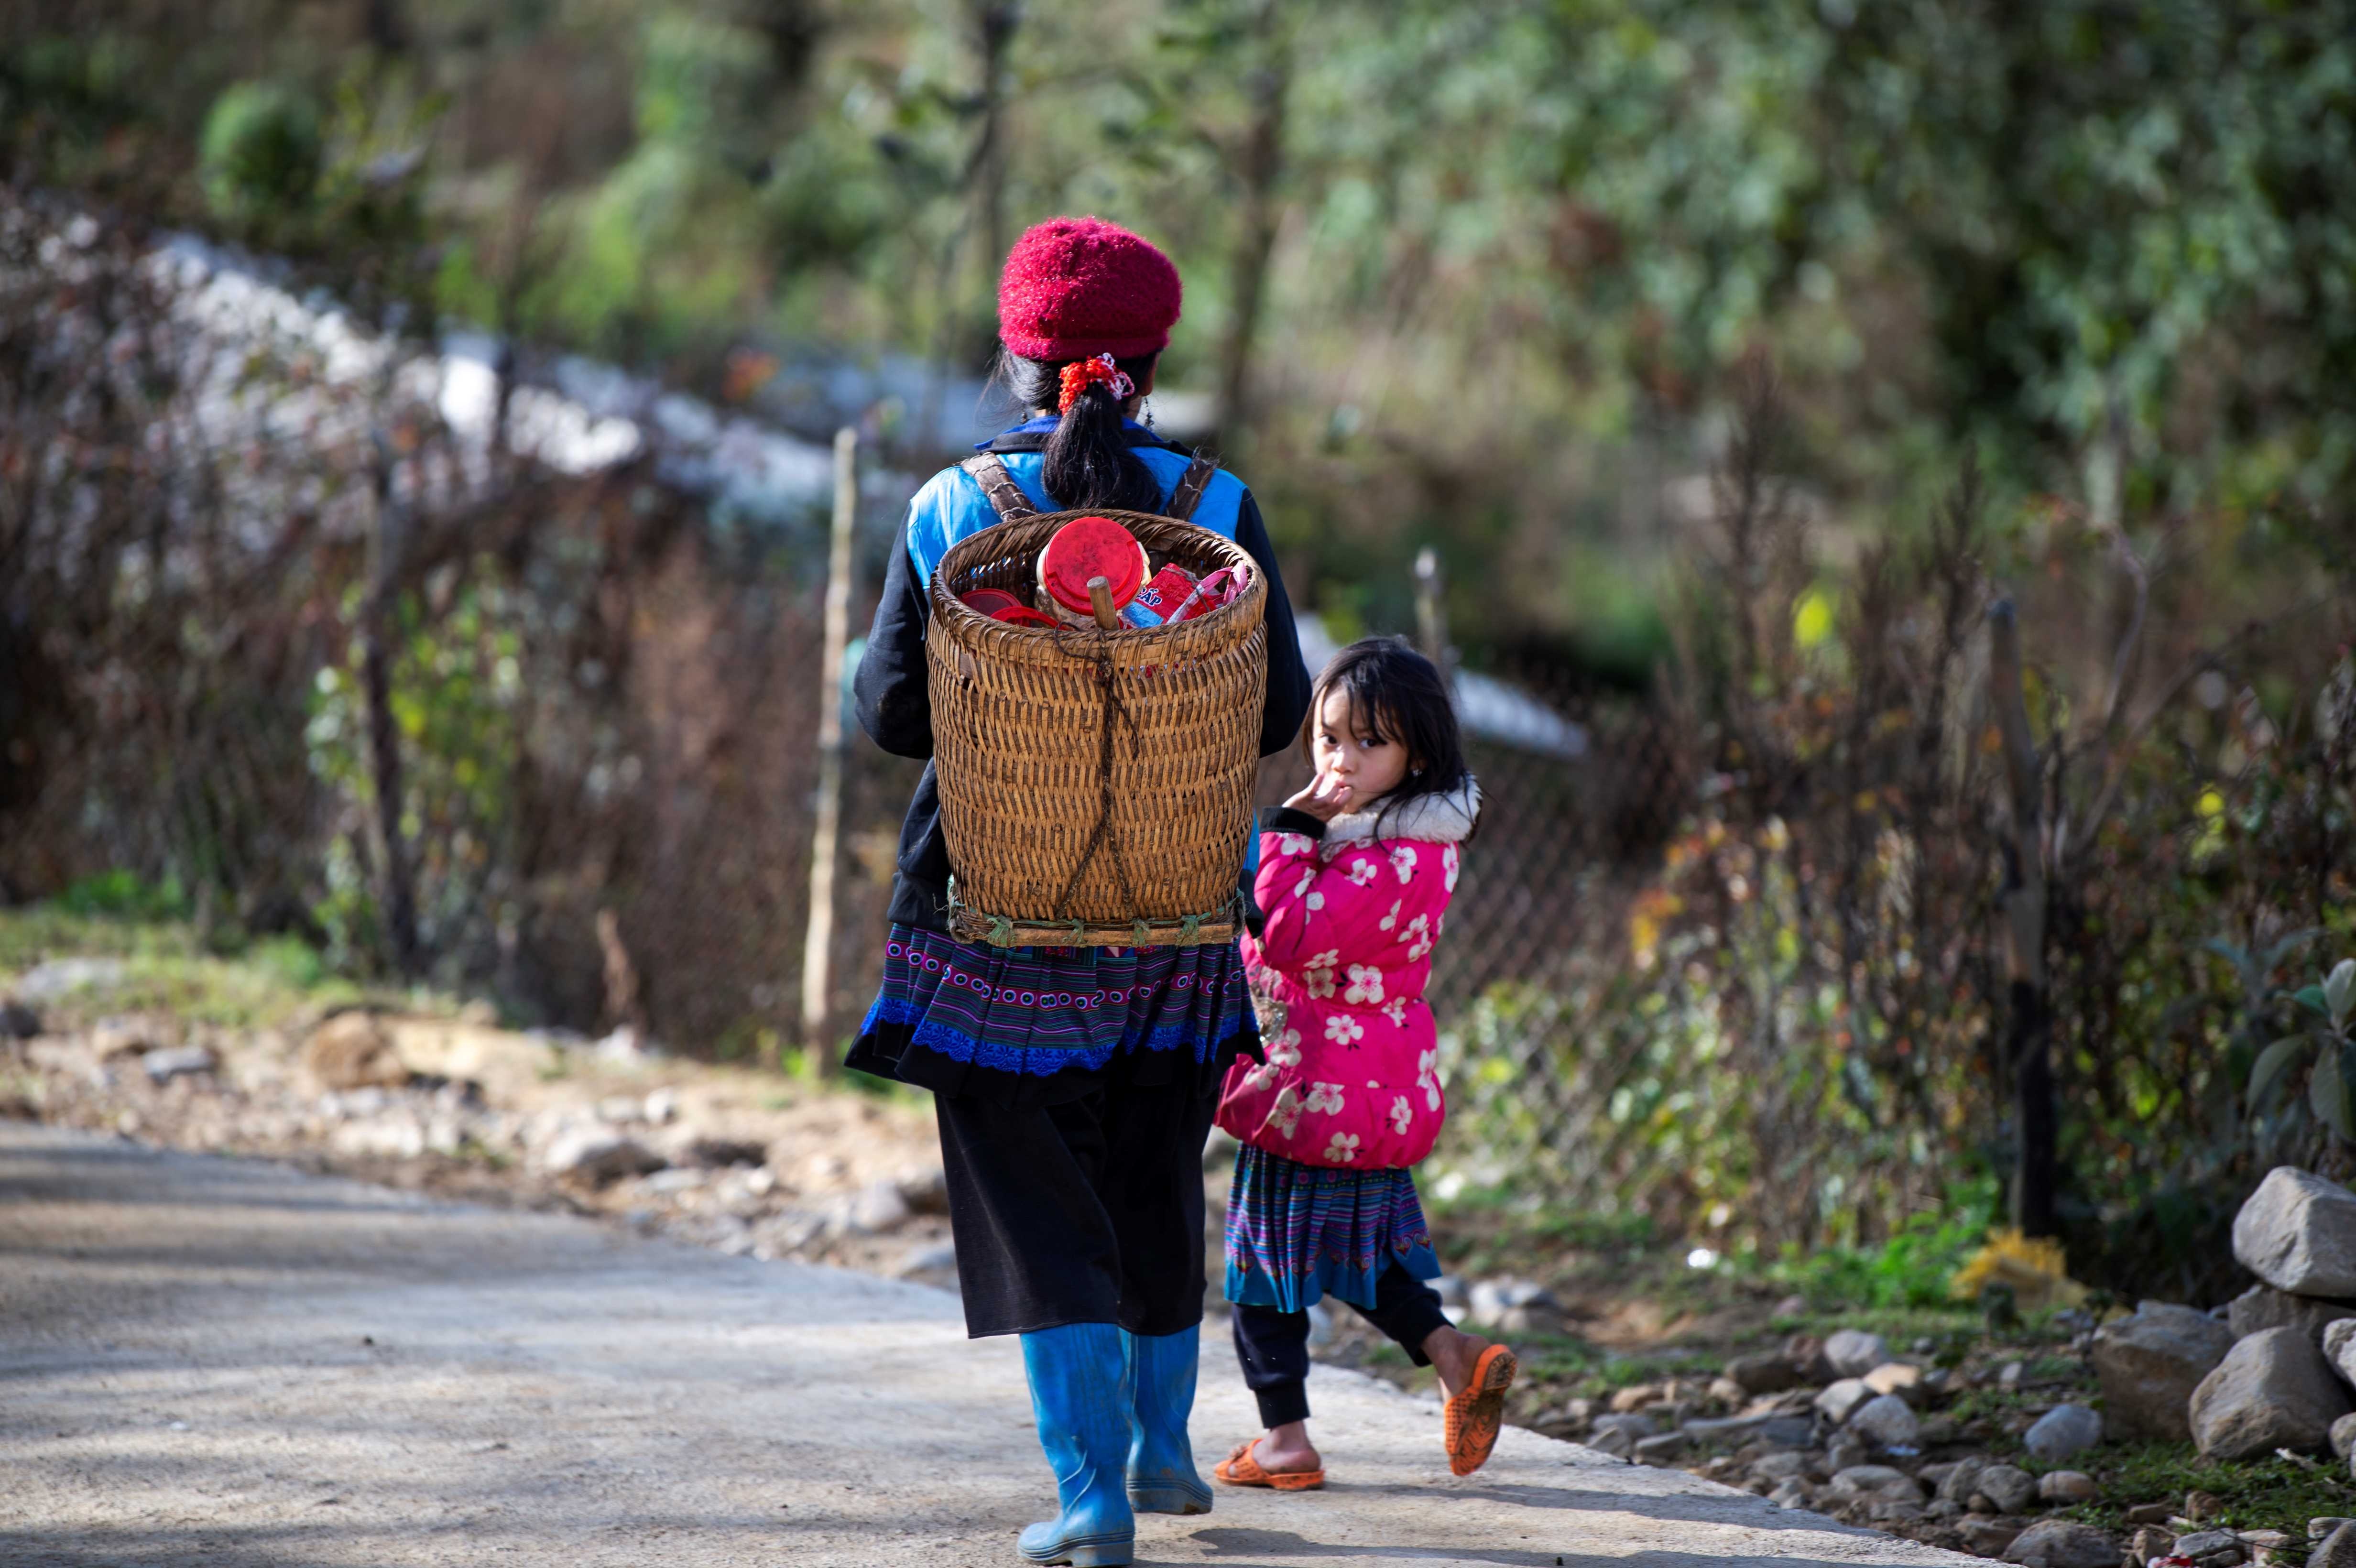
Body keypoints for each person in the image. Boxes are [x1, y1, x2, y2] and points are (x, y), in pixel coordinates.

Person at [850, 215, 1311, 1568]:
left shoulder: (953, 508)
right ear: (1154, 361)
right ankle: (1167, 1457)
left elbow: (889, 715)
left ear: (1013, 356)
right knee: (1157, 1167)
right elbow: (1280, 705)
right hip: (1175, 913)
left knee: (1040, 1202)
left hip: (993, 916)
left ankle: (1091, 1497)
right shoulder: (1217, 507)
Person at [1210, 636, 1514, 1490]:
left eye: (1367, 743)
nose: (1340, 759)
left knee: (1263, 1268)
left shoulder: (1387, 851)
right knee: (1357, 1251)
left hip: (1307, 1086)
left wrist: (1292, 830)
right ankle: (1453, 1353)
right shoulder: (1402, 839)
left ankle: (1285, 1441)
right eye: (1328, 736)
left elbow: (1293, 935)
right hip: (1367, 1089)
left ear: (1418, 752)